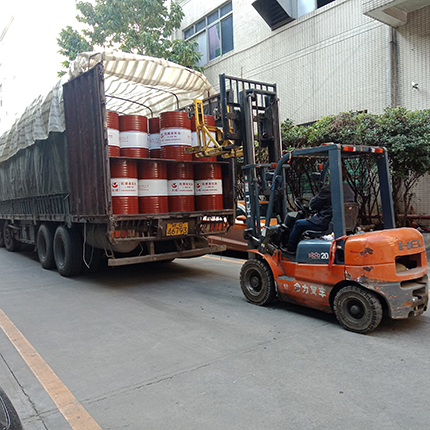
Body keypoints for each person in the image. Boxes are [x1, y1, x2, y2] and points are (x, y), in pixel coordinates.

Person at [284, 179, 354, 255]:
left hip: (325, 223)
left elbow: (314, 204)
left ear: (330, 176)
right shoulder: (349, 189)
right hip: (339, 223)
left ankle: (291, 249)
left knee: (298, 224)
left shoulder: (328, 189)